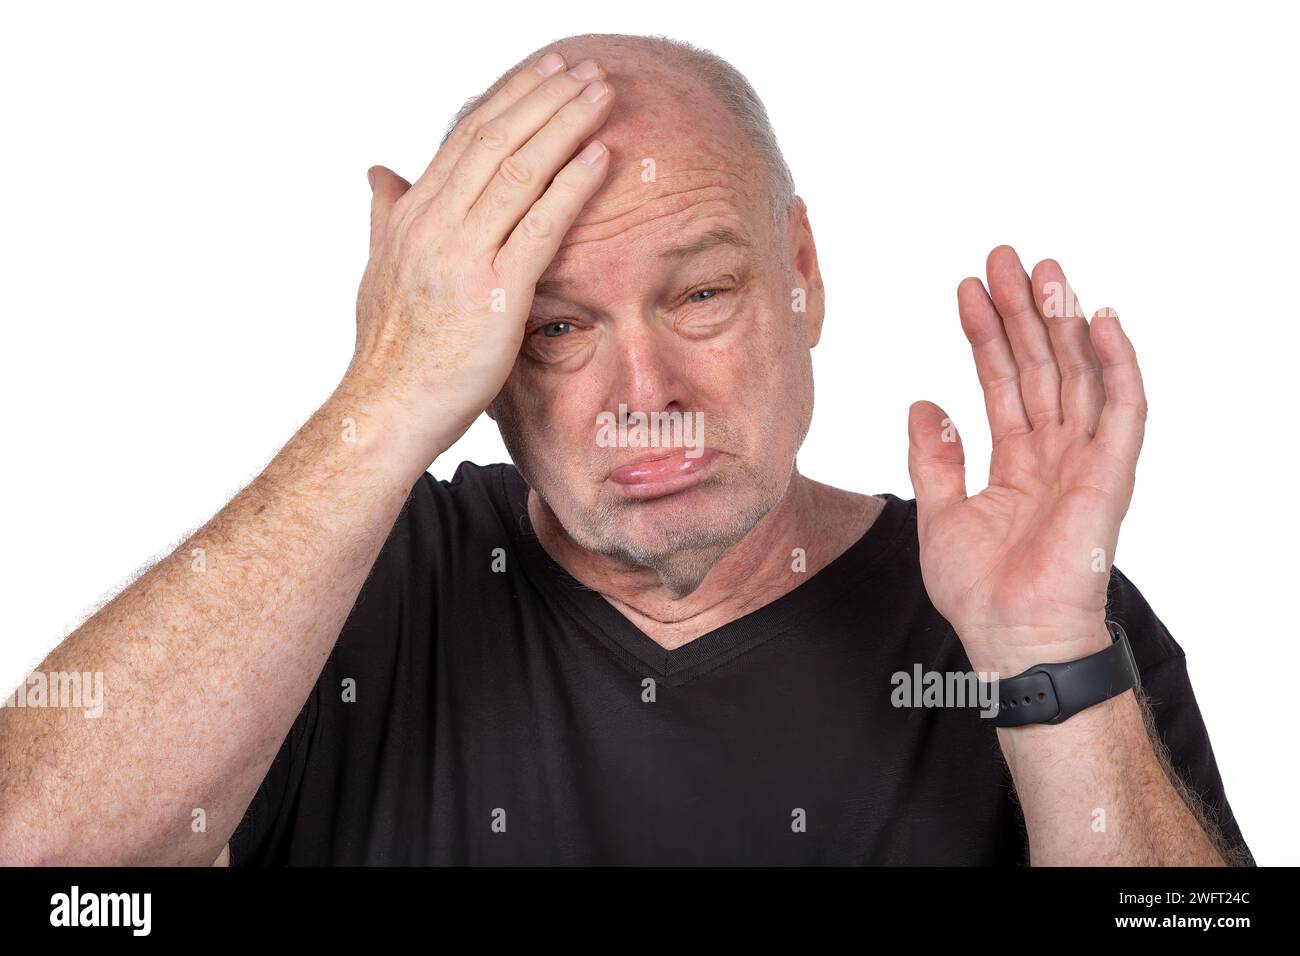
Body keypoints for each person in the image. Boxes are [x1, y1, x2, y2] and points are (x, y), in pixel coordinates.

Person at [0, 33, 1253, 866]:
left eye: (699, 295)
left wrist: (1046, 662)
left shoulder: (1030, 616)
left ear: (801, 275)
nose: (642, 393)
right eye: (553, 325)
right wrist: (379, 401)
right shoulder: (346, 598)